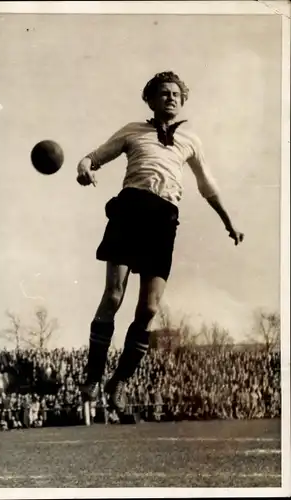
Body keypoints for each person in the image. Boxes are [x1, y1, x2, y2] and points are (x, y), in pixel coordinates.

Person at [76, 71, 244, 415]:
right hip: (129, 210)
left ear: (182, 101)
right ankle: (93, 373)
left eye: (176, 94)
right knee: (113, 295)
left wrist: (229, 222)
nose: (170, 97)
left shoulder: (190, 140)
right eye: (163, 93)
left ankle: (119, 382)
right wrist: (85, 169)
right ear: (150, 100)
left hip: (164, 219)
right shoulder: (133, 131)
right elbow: (92, 157)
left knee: (149, 310)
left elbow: (206, 185)